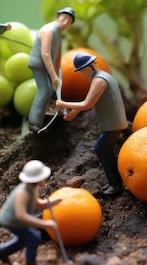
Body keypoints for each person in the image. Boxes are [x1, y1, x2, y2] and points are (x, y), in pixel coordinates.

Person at [55, 52, 128, 196]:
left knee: (101, 149)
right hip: (113, 121)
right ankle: (116, 182)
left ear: (88, 67)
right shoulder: (100, 76)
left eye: (81, 70)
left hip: (113, 123)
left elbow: (88, 104)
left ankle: (116, 184)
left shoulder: (99, 81)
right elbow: (90, 101)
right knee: (106, 151)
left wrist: (63, 103)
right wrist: (73, 113)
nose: (81, 73)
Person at [0, 160, 62, 265]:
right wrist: (45, 224)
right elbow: (22, 216)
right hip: (12, 220)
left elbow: (36, 204)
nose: (45, 179)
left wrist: (51, 202)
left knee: (23, 240)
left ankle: (3, 251)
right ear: (36, 179)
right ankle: (31, 264)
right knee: (34, 237)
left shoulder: (33, 189)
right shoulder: (23, 193)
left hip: (17, 219)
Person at [27, 7, 75, 131]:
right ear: (57, 18)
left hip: (46, 66)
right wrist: (53, 76)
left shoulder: (58, 32)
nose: (65, 23)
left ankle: (45, 115)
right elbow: (45, 54)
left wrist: (58, 73)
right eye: (64, 19)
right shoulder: (49, 30)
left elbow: (58, 54)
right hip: (39, 64)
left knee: (51, 92)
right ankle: (34, 122)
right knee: (45, 91)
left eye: (68, 21)